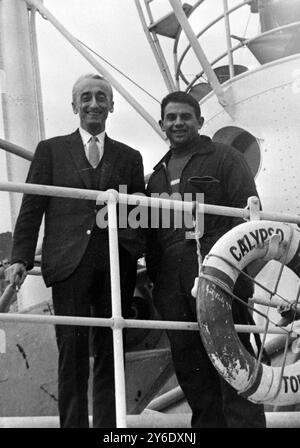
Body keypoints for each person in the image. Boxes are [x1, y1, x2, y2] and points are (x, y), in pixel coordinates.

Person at [6, 74, 145, 428]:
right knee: (71, 352)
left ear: (112, 106)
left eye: (101, 97)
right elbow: (32, 207)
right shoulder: (50, 151)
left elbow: (136, 214)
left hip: (115, 265)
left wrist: (132, 252)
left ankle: (108, 430)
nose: (94, 103)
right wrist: (20, 258)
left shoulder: (130, 157)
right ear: (74, 106)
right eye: (86, 97)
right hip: (69, 263)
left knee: (111, 350)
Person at [145, 91, 266, 428]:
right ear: (162, 124)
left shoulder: (225, 159)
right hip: (173, 285)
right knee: (192, 373)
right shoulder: (156, 176)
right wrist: (160, 285)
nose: (178, 123)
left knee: (235, 366)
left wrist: (239, 277)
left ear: (199, 121)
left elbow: (248, 219)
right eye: (171, 118)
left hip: (220, 277)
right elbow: (154, 238)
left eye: (185, 117)